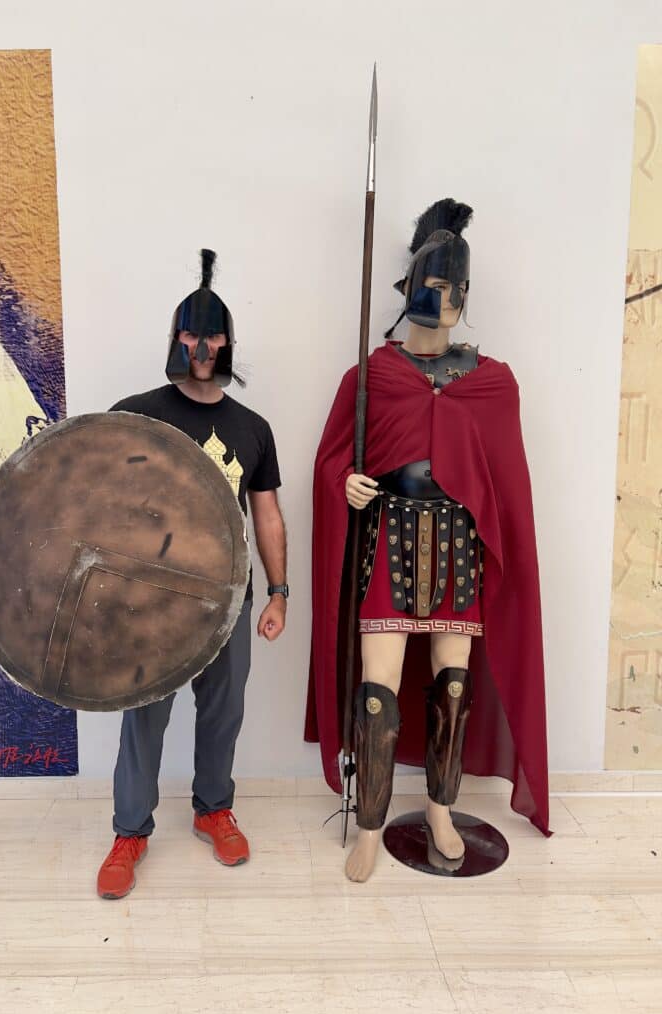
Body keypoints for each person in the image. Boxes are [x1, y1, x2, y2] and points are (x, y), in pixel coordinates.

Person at [306, 199, 549, 882]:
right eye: (429, 287)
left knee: (451, 687)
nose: (439, 301)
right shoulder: (371, 378)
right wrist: (345, 482)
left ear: (466, 298)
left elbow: (504, 483)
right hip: (389, 540)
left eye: (451, 291)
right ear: (408, 291)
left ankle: (441, 812)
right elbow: (333, 461)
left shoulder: (491, 382)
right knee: (377, 693)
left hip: (460, 549)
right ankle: (371, 827)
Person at [97, 249, 288, 899]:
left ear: (228, 342)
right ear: (176, 338)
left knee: (223, 711)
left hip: (229, 598)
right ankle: (130, 831)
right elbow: (99, 505)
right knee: (144, 716)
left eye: (212, 336)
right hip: (153, 602)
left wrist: (280, 592)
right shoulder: (136, 412)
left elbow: (266, 516)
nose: (202, 346)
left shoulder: (252, 428)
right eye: (191, 334)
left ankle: (213, 808)